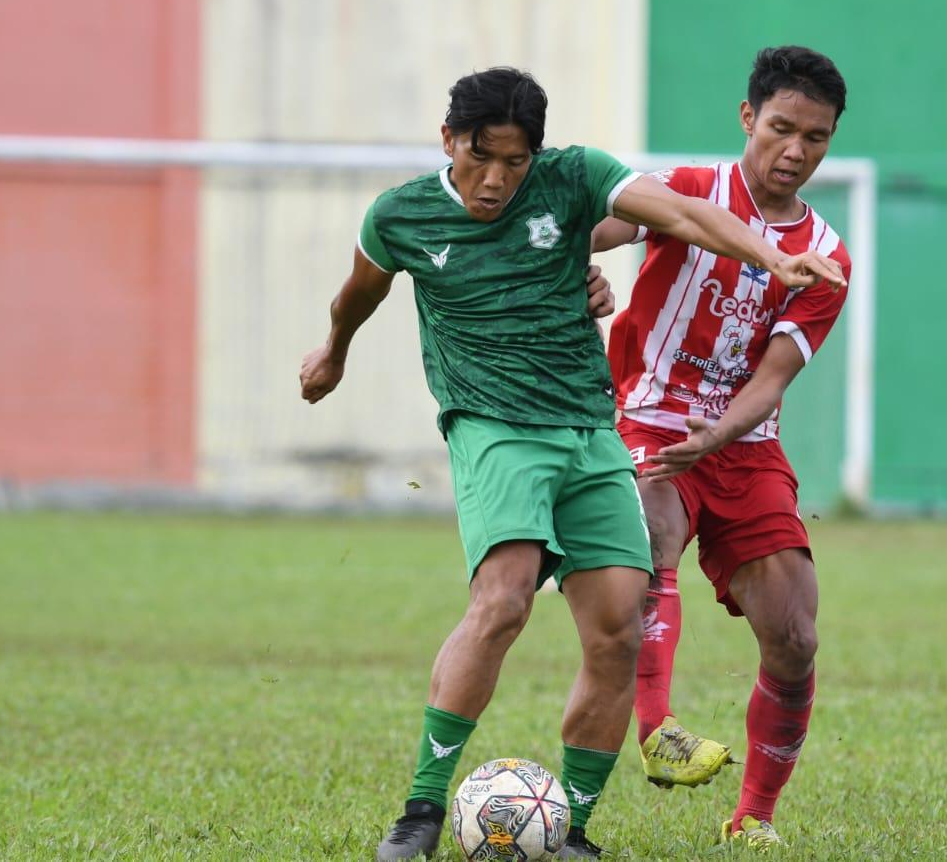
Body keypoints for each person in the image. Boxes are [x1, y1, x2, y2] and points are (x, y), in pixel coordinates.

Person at [298, 66, 843, 860]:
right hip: (494, 425)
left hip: (588, 429)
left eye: (516, 162)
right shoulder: (402, 215)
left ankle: (575, 830)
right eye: (481, 157)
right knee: (506, 597)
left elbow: (686, 215)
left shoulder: (573, 177)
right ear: (449, 140)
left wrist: (768, 255)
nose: (497, 179)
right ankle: (419, 810)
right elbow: (357, 295)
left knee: (619, 626)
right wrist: (334, 352)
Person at [591, 46, 851, 851]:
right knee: (651, 541)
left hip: (743, 444)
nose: (796, 152)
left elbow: (771, 382)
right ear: (748, 118)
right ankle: (657, 728)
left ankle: (754, 818)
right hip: (646, 419)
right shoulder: (688, 190)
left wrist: (718, 434)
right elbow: (595, 228)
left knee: (797, 636)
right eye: (781, 128)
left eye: (816, 137)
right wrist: (580, 268)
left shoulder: (828, 257)